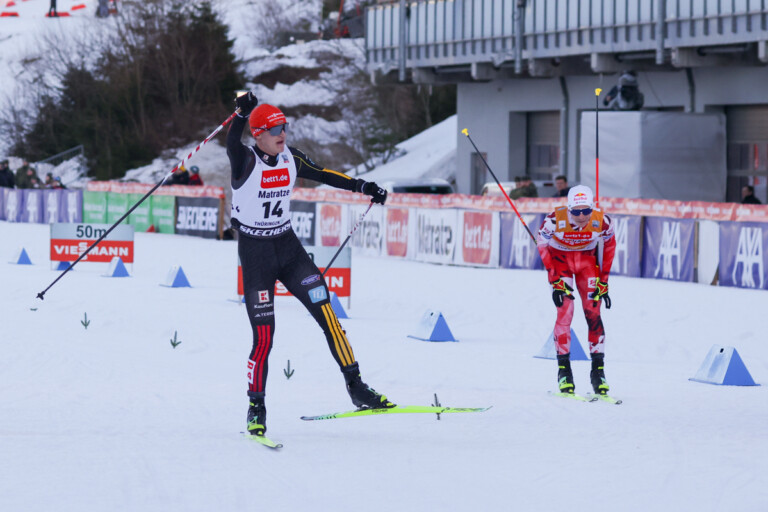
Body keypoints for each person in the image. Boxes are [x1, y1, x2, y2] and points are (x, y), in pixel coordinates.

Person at [226, 92, 394, 437]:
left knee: (326, 312)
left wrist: (363, 186)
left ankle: (356, 387)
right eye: (274, 130)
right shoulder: (244, 160)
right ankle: (256, 408)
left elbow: (325, 174)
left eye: (284, 127)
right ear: (258, 134)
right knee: (264, 337)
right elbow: (231, 141)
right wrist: (241, 114)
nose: (282, 134)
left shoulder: (290, 157)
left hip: (288, 250)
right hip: (256, 256)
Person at [536, 185, 616, 396]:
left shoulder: (603, 221)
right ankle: (564, 372)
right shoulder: (554, 220)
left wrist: (604, 281)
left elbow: (609, 246)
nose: (581, 216)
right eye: (576, 211)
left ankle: (598, 373)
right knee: (565, 312)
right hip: (561, 264)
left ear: (592, 208)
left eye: (586, 211)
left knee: (593, 313)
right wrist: (554, 279)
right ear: (569, 208)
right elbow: (541, 244)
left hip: (587, 266)